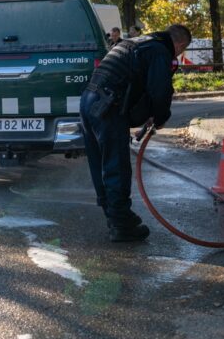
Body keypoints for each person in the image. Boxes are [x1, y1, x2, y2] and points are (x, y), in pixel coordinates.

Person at [79, 24, 191, 242]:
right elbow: (160, 90)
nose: (178, 54)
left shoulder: (136, 43)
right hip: (108, 105)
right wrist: (159, 118)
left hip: (88, 100)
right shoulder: (160, 51)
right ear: (179, 44)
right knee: (116, 164)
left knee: (99, 163)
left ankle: (113, 217)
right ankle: (122, 224)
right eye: (181, 50)